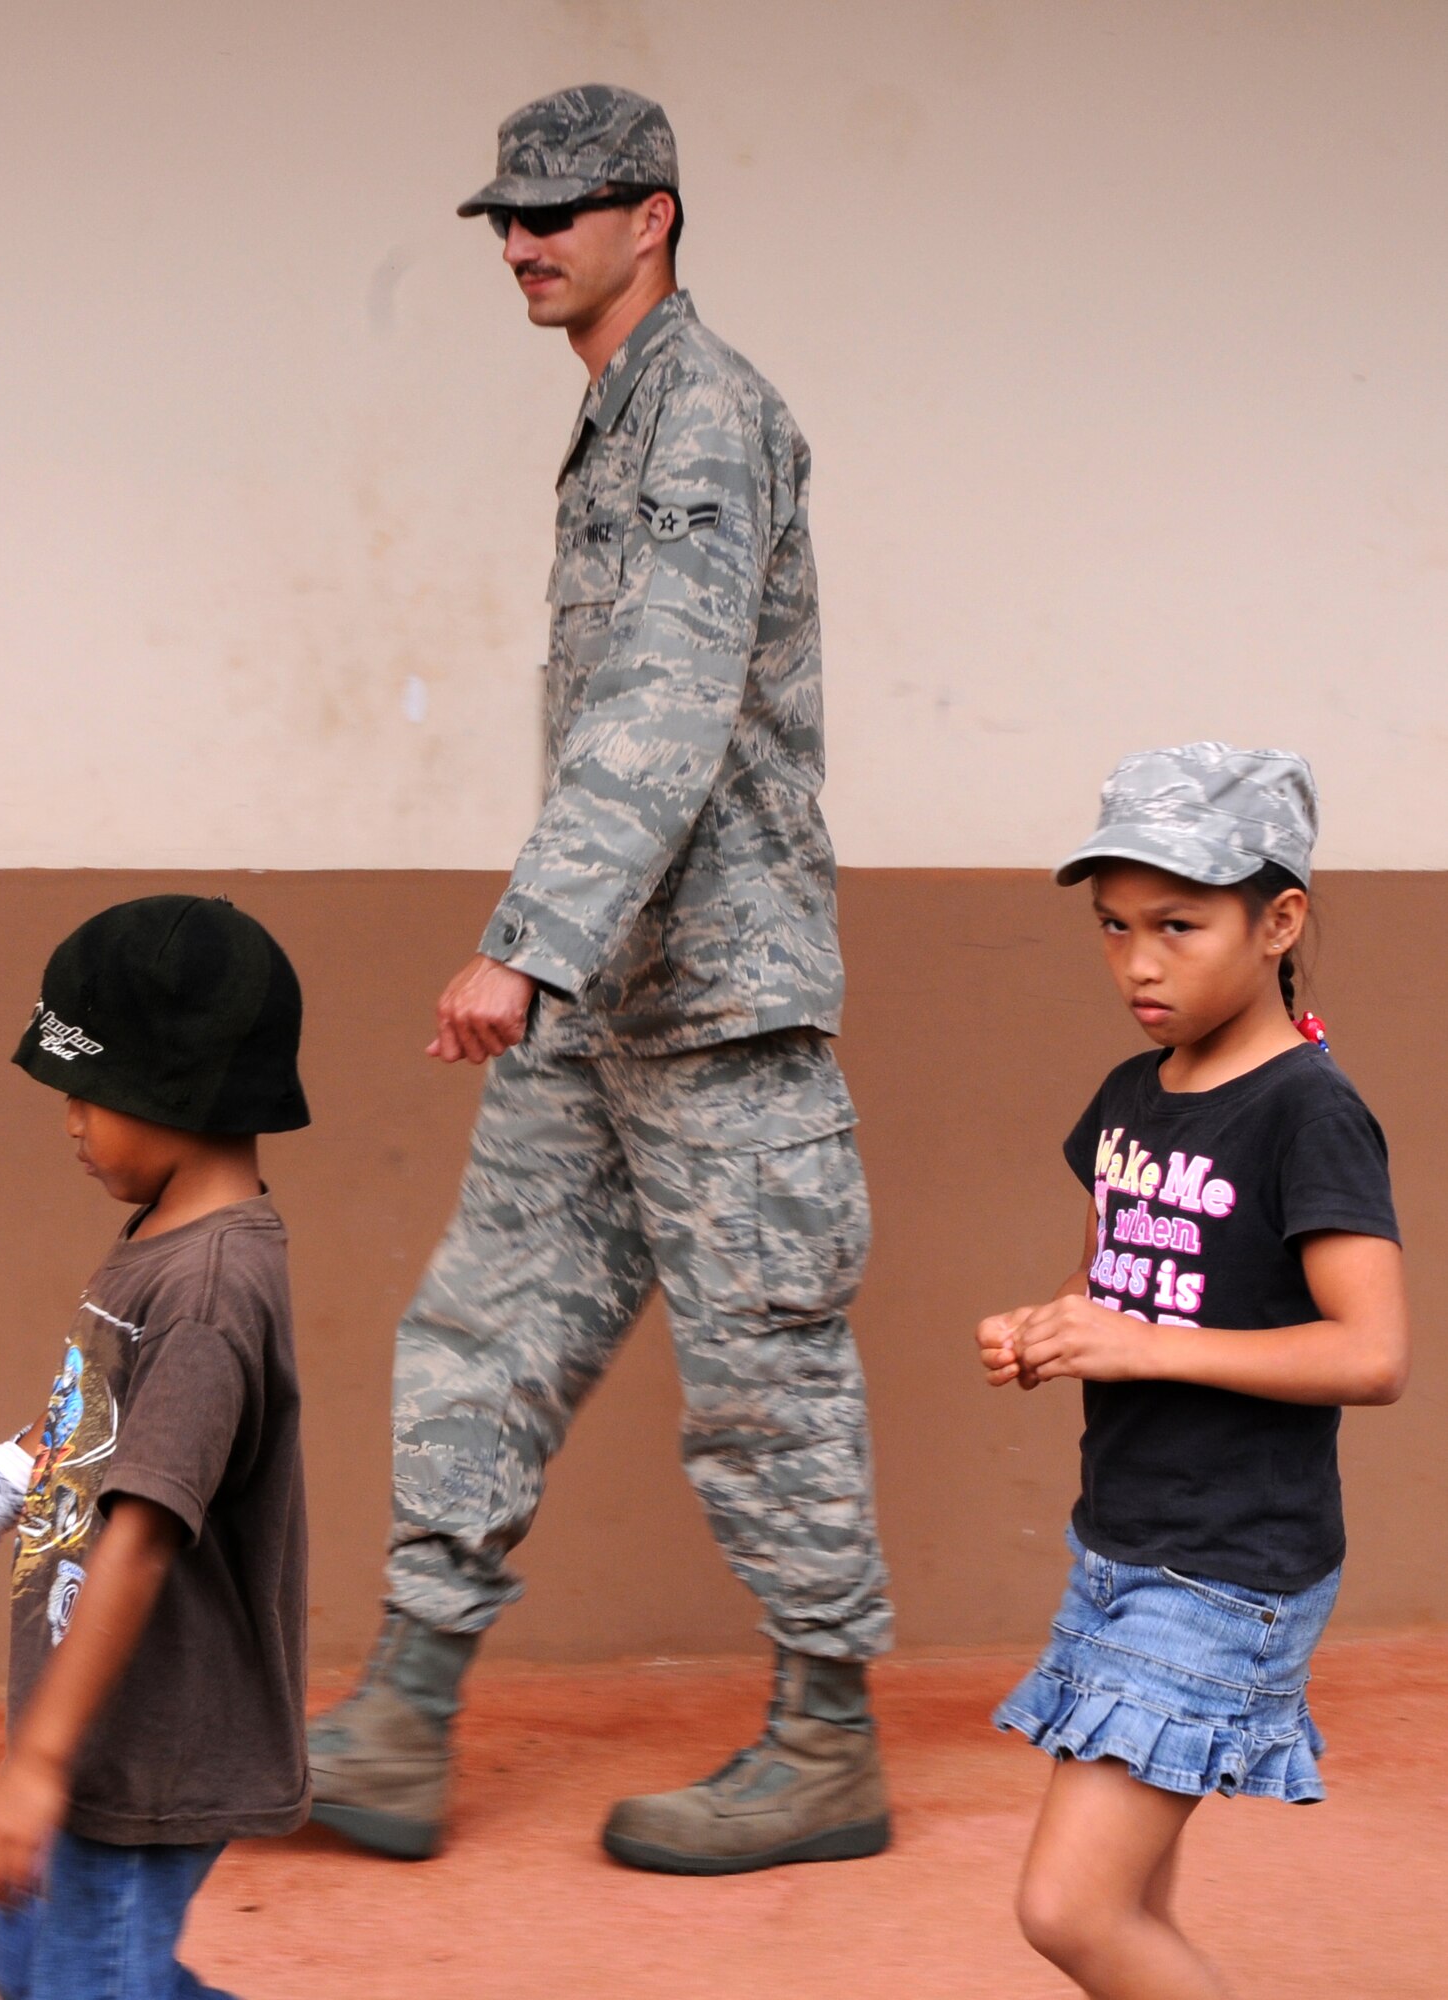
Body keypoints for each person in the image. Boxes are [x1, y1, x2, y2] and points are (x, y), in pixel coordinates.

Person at [309, 83, 894, 1875]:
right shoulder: (615, 416)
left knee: (763, 1374)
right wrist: (560, 962)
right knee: (484, 1322)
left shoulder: (703, 413)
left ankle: (824, 1752)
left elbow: (666, 699)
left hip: (709, 995)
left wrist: (524, 941)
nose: (522, 240)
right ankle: (403, 1718)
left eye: (560, 211)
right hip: (607, 1000)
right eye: (506, 214)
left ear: (655, 218)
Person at [976, 744, 1409, 2000]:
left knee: (1069, 1906)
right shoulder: (1131, 1093)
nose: (1138, 962)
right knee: (1132, 1899)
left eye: (1177, 923)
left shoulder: (1308, 1112)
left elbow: (1372, 1353)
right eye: (1112, 927)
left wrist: (1139, 1344)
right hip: (1120, 1542)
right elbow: (1112, 1270)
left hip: (1226, 1568)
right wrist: (1049, 1326)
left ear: (1278, 921)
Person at [0, 894, 312, 2000]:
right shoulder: (158, 1242)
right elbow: (95, 1421)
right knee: (41, 1964)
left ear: (177, 1090)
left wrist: (40, 1766)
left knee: (86, 1982)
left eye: (87, 1091)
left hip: (154, 1738)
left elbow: (144, 1534)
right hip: (109, 1724)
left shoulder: (207, 1292)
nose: (69, 1119)